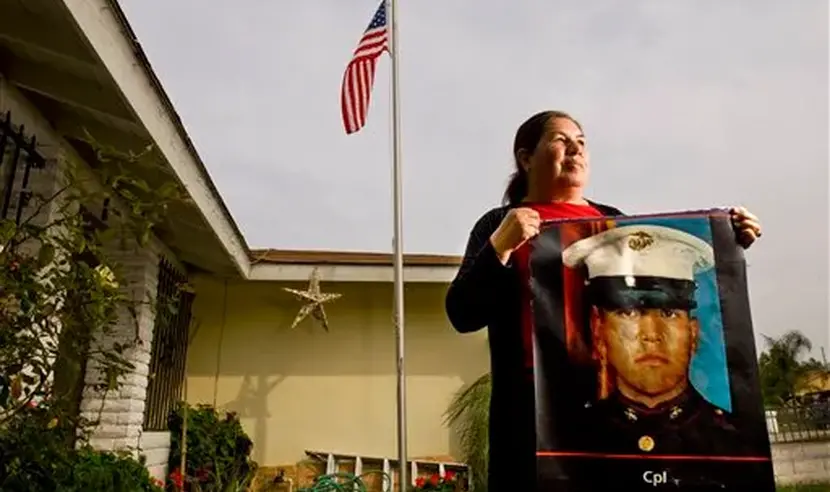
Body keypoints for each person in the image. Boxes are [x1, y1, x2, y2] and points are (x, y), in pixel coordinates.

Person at [444, 110, 763, 490]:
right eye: (561, 141)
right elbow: (462, 313)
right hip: (530, 420)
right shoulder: (498, 223)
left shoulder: (615, 223)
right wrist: (501, 246)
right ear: (526, 158)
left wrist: (729, 239)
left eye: (581, 142)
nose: (575, 150)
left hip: (615, 423)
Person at [561, 224, 754, 457]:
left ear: (693, 332)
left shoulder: (736, 439)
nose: (651, 335)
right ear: (598, 331)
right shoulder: (570, 441)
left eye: (669, 313)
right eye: (628, 313)